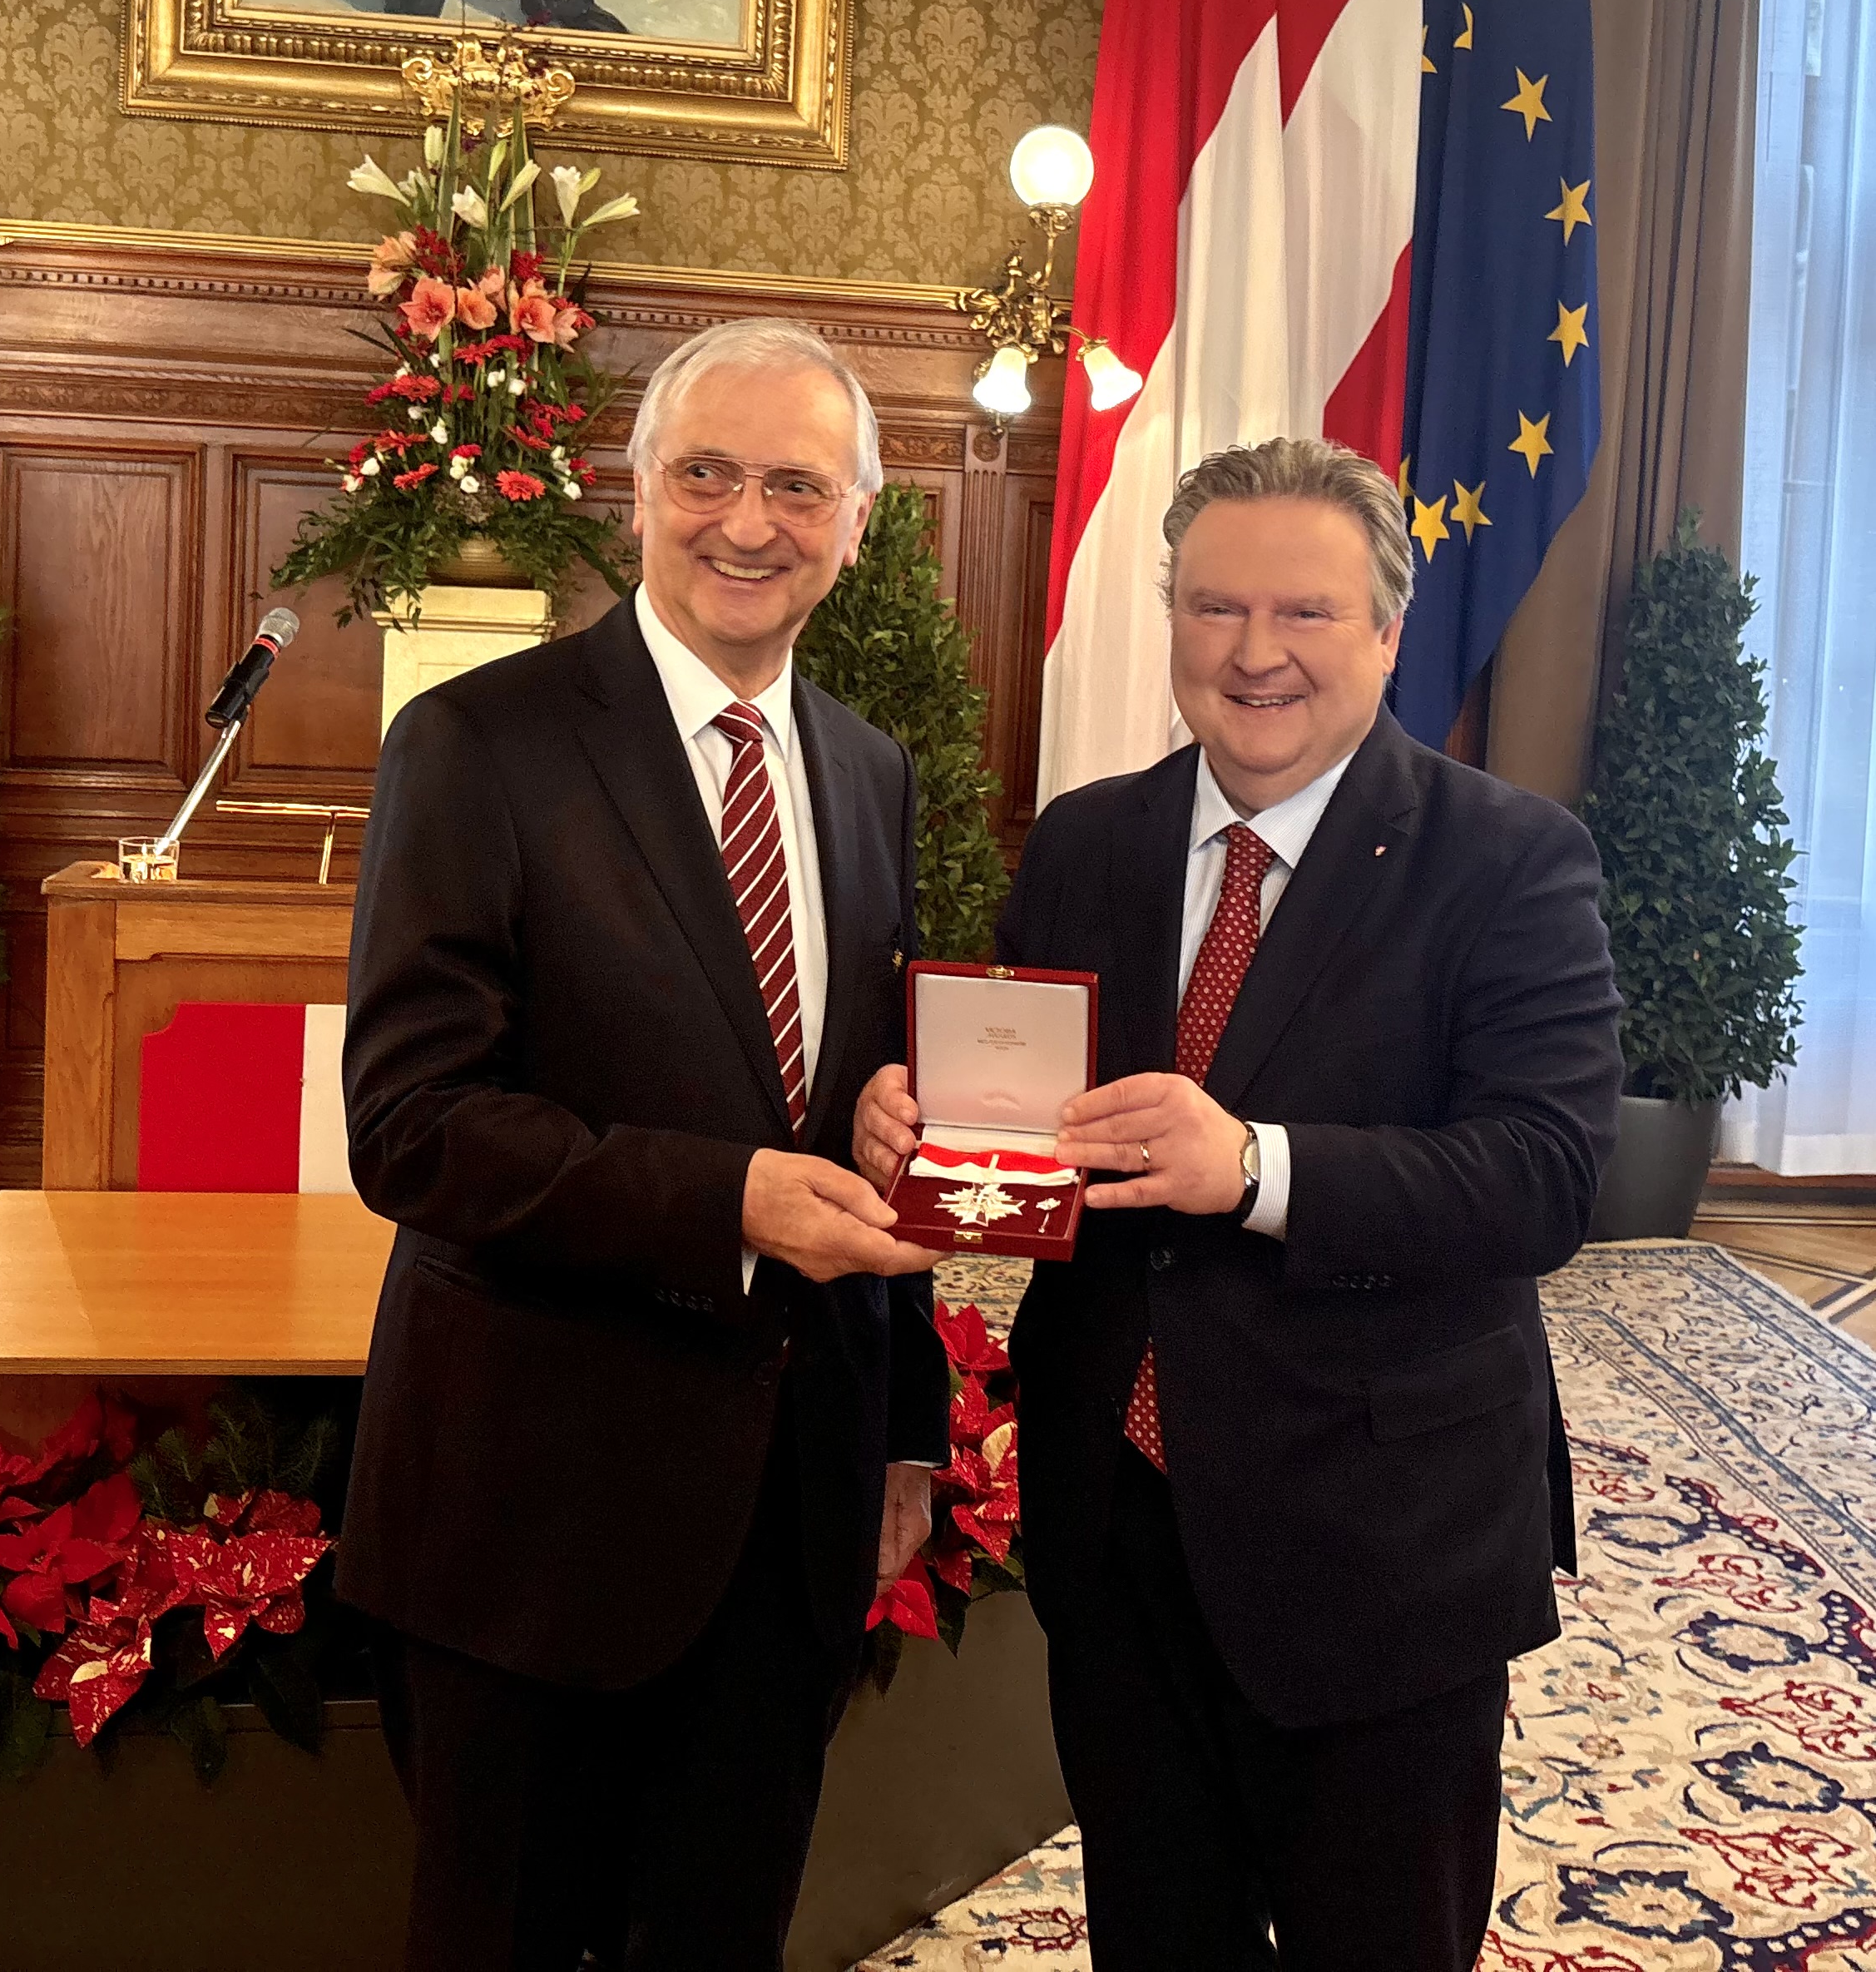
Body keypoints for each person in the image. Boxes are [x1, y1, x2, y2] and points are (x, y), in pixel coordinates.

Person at [855, 437, 1625, 1970]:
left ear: (1389, 634)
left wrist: (1258, 1168)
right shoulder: (1088, 840)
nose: (1254, 653)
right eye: (1213, 609)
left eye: (1305, 613)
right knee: (1157, 1931)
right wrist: (916, 1125)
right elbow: (1025, 1127)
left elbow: (1546, 1176)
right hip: (1116, 1525)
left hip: (1382, 1544)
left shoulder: (1511, 860)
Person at [341, 316, 947, 1971]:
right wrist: (726, 1199)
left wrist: (904, 1417)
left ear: (858, 521)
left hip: (792, 1503)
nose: (746, 522)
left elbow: (851, 1100)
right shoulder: (479, 747)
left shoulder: (864, 772)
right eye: (704, 473)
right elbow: (410, 1125)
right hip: (537, 1505)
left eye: (795, 486)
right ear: (634, 488)